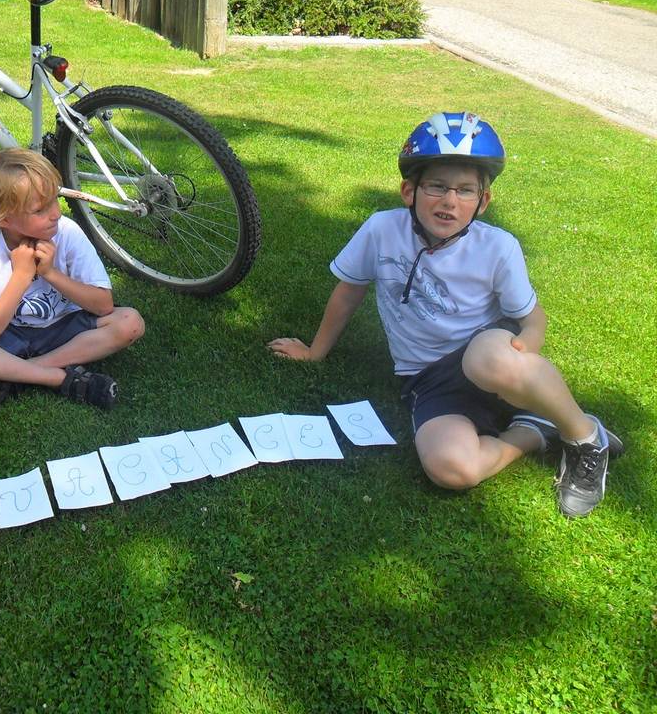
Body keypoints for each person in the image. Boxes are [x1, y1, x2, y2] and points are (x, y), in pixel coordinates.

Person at [267, 111, 623, 518]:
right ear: (409, 191)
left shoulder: (498, 247)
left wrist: (522, 360)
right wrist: (315, 351)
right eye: (436, 186)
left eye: (465, 190)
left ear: (483, 202)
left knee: (487, 359)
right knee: (451, 469)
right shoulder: (381, 230)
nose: (450, 201)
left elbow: (532, 318)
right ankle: (533, 430)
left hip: (486, 357)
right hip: (427, 378)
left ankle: (585, 437)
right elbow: (349, 293)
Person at [0, 148, 144, 409]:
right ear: (3, 217)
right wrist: (21, 276)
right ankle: (58, 378)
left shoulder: (66, 232)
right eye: (40, 209)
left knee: (130, 322)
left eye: (55, 200)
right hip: (8, 337)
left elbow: (104, 305)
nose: (56, 213)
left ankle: (15, 374)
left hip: (64, 329)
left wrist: (50, 273)